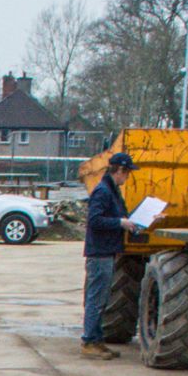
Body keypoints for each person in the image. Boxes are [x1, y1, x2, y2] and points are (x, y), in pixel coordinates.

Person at [82, 150, 136, 358]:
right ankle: (89, 342)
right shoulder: (103, 191)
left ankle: (97, 340)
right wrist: (119, 222)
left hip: (107, 251)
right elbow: (94, 221)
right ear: (120, 170)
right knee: (96, 297)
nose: (127, 177)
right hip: (99, 253)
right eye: (127, 173)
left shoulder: (112, 190)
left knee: (102, 297)